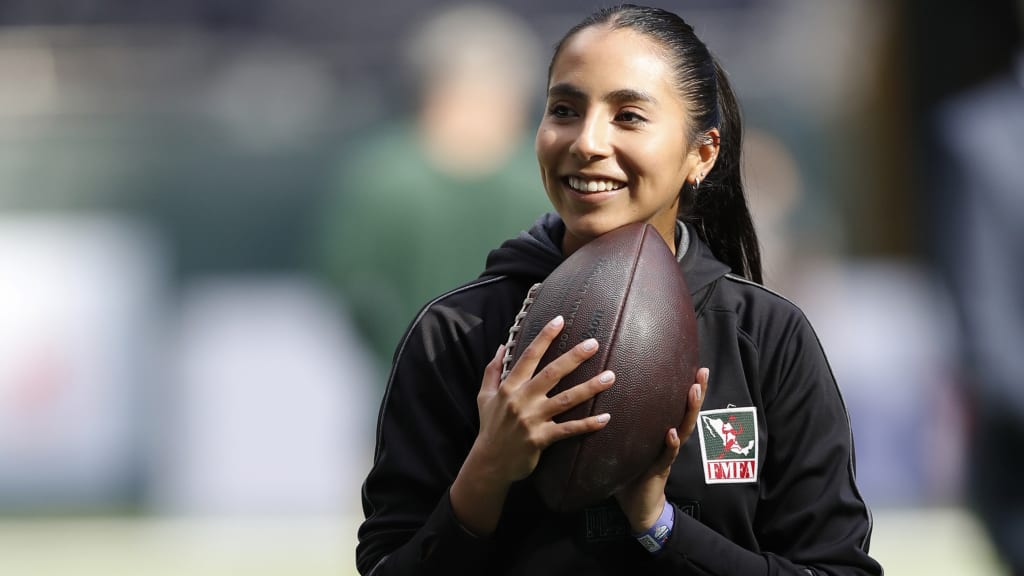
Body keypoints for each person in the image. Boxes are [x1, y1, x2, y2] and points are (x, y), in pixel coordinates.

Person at [356, 5, 881, 575]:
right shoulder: (455, 334)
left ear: (701, 154)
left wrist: (659, 524)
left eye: (628, 116)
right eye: (564, 110)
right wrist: (488, 467)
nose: (586, 142)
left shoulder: (765, 336)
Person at [317, 3, 550, 375]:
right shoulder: (548, 178)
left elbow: (352, 296)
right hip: (526, 411)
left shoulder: (379, 175)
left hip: (405, 410)